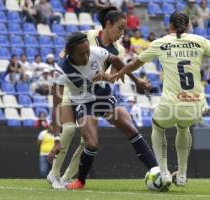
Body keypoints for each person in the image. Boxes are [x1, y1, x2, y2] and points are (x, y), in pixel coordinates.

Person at [110, 12, 210, 188]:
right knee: (183, 128)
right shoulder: (199, 40)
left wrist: (117, 74)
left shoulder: (161, 43)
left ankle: (164, 172)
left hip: (171, 102)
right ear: (189, 25)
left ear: (170, 26)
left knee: (158, 126)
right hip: (195, 103)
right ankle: (182, 174)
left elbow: (134, 64)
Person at [47, 7, 153, 189]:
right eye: (120, 28)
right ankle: (53, 175)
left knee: (88, 141)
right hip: (72, 91)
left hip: (97, 93)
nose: (122, 33)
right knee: (70, 129)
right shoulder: (85, 38)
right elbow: (66, 56)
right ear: (108, 25)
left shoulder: (115, 50)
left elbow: (113, 73)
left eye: (124, 29)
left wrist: (119, 78)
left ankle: (69, 178)